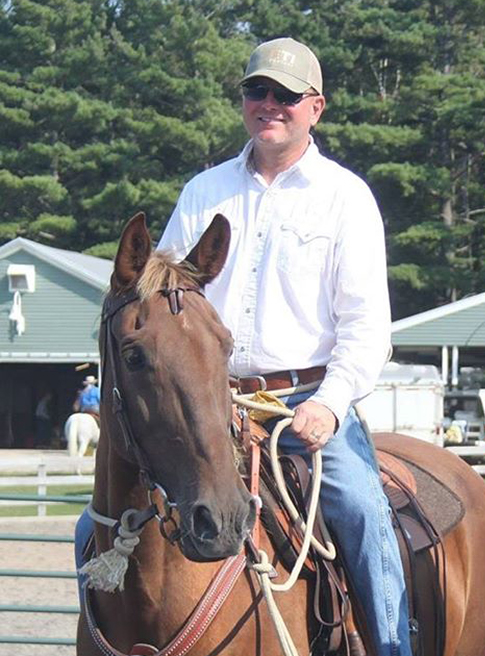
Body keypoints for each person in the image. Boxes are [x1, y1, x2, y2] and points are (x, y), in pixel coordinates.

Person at [74, 37, 411, 656]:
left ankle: (392, 648)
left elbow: (368, 329)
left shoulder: (346, 197)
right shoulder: (204, 192)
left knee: (365, 515)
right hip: (212, 402)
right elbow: (161, 299)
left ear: (316, 107)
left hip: (308, 402)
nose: (269, 104)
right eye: (258, 91)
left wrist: (331, 405)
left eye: (286, 95)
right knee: (91, 527)